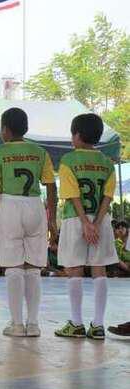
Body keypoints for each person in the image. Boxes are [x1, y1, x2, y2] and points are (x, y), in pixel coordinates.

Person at [0, 108, 57, 337]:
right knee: (33, 268)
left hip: (9, 206)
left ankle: (17, 324)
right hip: (35, 205)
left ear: (5, 129)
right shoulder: (40, 152)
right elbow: (51, 186)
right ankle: (33, 324)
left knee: (13, 267)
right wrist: (52, 219)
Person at [54, 114, 118, 340]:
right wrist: (96, 224)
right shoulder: (107, 163)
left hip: (75, 220)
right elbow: (108, 196)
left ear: (77, 135)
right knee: (99, 269)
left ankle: (76, 323)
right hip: (101, 222)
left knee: (75, 269)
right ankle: (98, 325)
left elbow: (72, 195)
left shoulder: (68, 161)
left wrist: (85, 223)